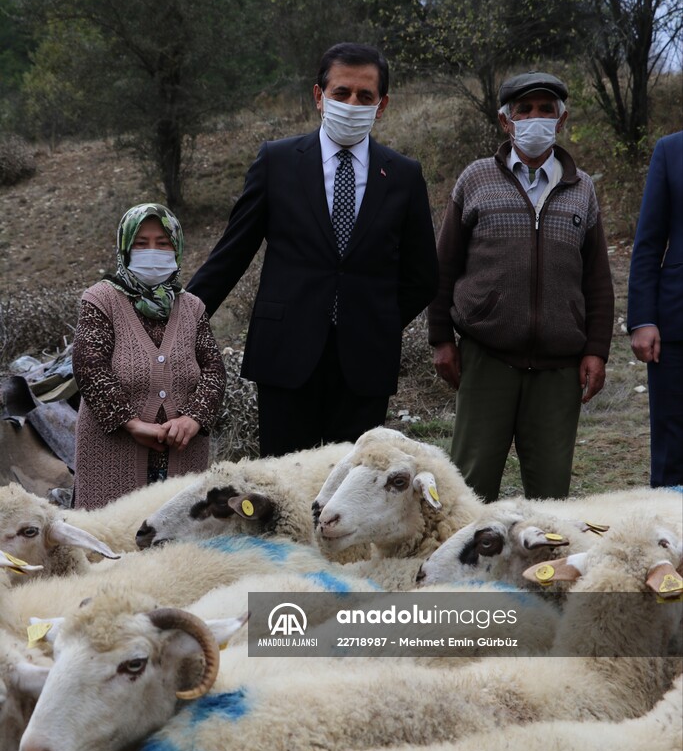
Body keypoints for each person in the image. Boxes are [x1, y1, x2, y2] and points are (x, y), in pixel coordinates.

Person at [187, 42, 439, 457]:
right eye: (341, 92)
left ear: (382, 105)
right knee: (284, 483)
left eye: (365, 96)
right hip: (285, 354)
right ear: (319, 96)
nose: (352, 104)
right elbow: (232, 253)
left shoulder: (403, 175)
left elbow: (423, 275)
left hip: (365, 363)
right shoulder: (277, 161)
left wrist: (376, 319)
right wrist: (178, 323)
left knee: (353, 486)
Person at [428, 71, 614, 502]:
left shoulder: (582, 188)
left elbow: (597, 280)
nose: (535, 118)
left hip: (558, 367)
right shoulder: (475, 180)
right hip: (486, 357)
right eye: (524, 110)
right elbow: (444, 266)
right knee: (471, 491)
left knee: (550, 498)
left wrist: (596, 351)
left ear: (561, 120)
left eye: (546, 110)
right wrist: (441, 339)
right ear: (505, 120)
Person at [72, 203, 226, 509]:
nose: (152, 251)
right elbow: (90, 367)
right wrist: (131, 423)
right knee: (111, 533)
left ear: (176, 248)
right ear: (126, 248)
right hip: (113, 453)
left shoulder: (193, 307)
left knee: (175, 532)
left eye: (162, 243)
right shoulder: (101, 299)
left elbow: (214, 371)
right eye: (141, 243)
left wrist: (193, 419)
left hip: (182, 457)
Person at [627, 131, 683, 488]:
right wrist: (643, 319)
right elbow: (648, 242)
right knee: (673, 446)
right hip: (677, 327)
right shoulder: (671, 150)